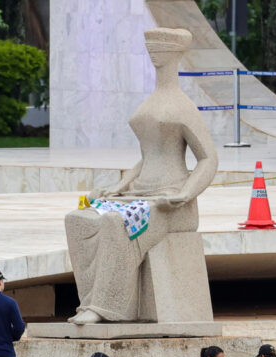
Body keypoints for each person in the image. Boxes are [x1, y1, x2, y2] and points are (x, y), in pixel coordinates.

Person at [64, 27, 218, 324]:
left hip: (169, 203)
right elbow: (147, 157)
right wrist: (120, 185)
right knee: (78, 219)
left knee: (114, 222)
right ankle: (89, 301)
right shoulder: (150, 102)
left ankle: (108, 307)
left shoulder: (184, 107)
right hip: (137, 194)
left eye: (160, 47)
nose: (154, 52)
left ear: (174, 53)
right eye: (151, 47)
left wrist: (185, 193)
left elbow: (208, 158)